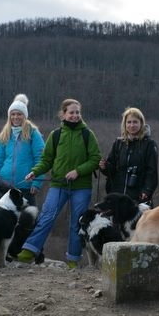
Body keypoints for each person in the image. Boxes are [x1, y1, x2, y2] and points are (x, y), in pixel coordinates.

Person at [17, 99, 101, 269]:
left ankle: (73, 259)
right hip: (58, 184)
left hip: (81, 187)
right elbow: (46, 160)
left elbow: (95, 159)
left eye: (77, 112)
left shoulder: (87, 134)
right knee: (47, 216)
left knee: (77, 223)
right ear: (63, 114)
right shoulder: (55, 135)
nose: (75, 115)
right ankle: (29, 250)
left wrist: (78, 171)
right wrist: (35, 172)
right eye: (71, 112)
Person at [0, 94, 45, 205]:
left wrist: (36, 183)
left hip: (26, 185)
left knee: (28, 215)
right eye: (13, 114)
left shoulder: (33, 133)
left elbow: (41, 160)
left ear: (24, 116)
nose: (15, 117)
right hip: (5, 186)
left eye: (19, 114)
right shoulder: (5, 134)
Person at [99, 107, 158, 204]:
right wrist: (104, 166)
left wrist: (147, 190)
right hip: (117, 194)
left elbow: (152, 171)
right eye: (129, 122)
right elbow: (111, 170)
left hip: (139, 195)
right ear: (124, 124)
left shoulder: (149, 144)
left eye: (135, 122)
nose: (132, 125)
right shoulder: (118, 143)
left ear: (141, 123)